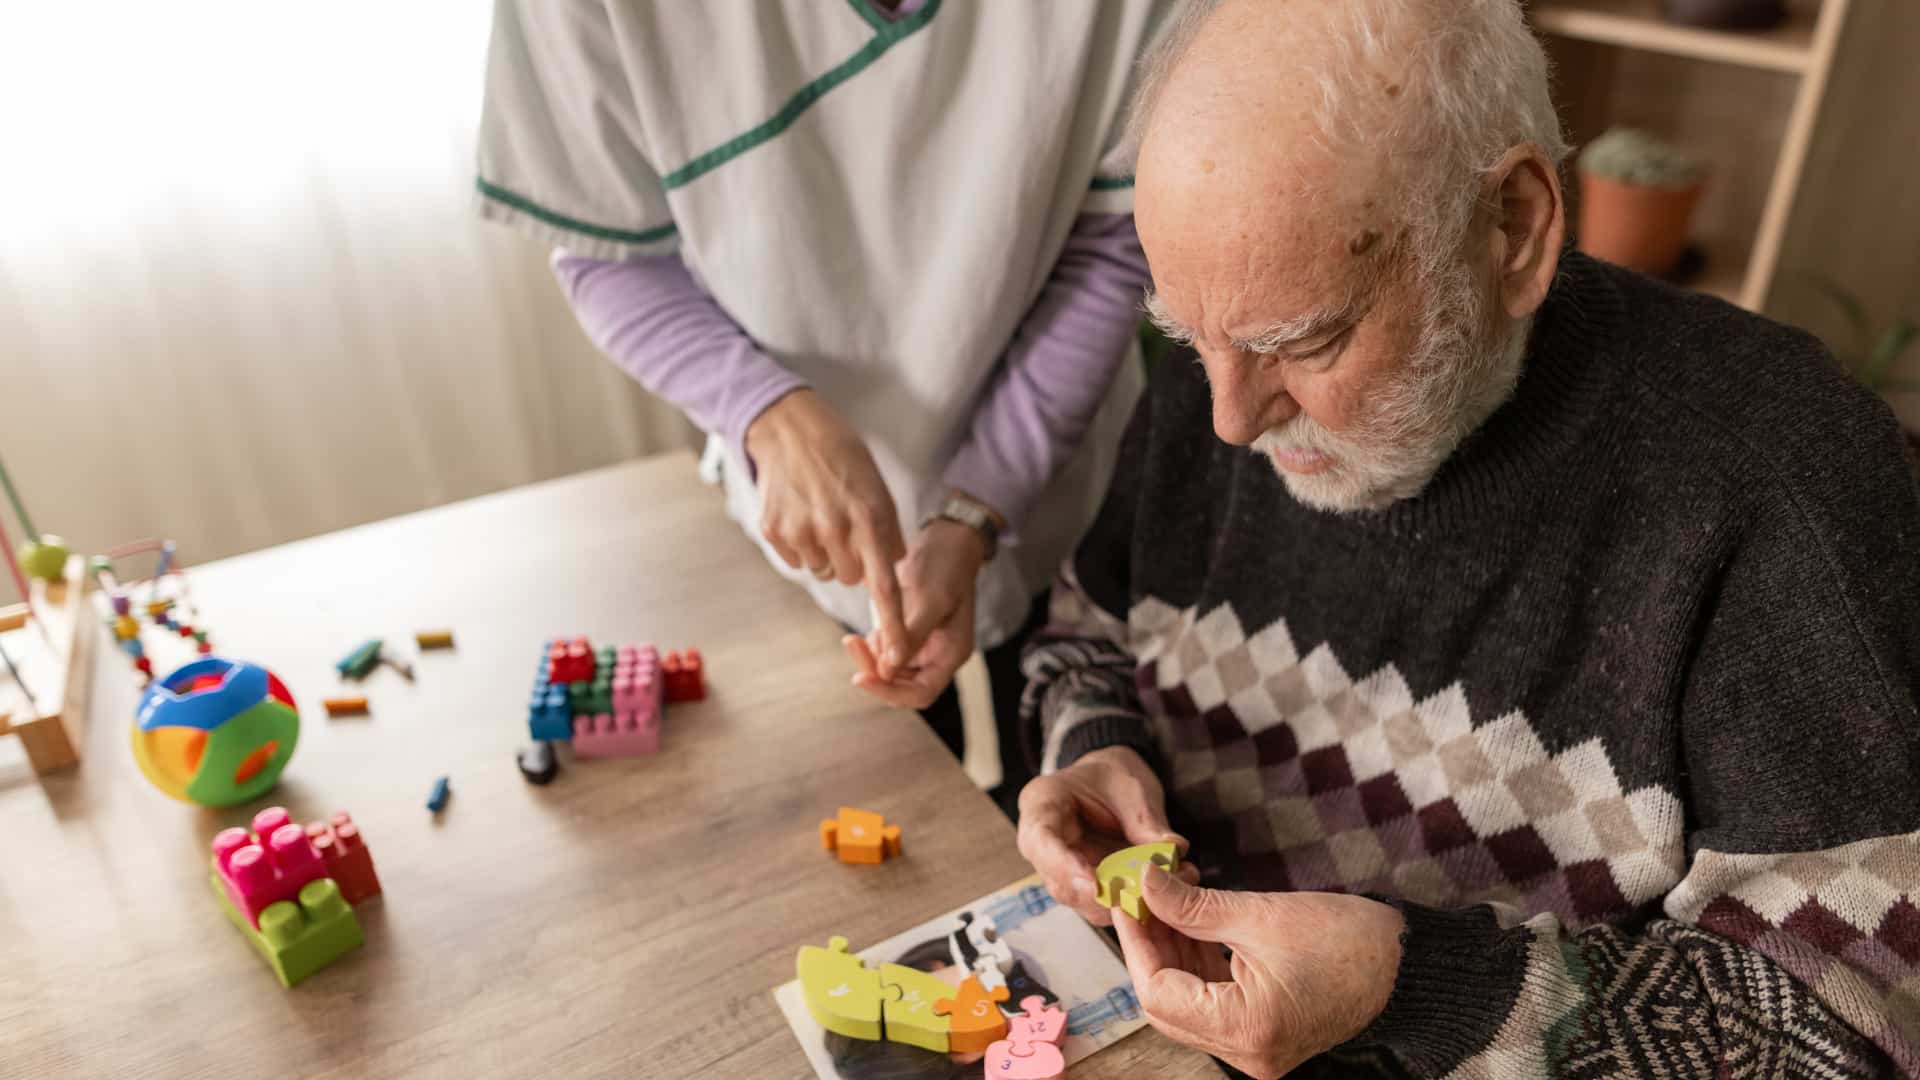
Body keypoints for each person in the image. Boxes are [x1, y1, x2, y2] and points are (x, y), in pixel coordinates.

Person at [1014, 1, 1920, 1076]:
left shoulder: (1779, 480)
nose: (1229, 421)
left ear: (1515, 228)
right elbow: (1082, 636)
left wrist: (1433, 992)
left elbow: (1855, 1032)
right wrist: (1094, 747)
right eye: (1185, 334)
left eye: (1308, 339)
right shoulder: (1232, 356)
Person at [474, 1, 1180, 812]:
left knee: (1071, 803)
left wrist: (976, 510)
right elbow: (608, 255)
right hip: (809, 543)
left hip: (1063, 479)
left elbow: (1113, 242)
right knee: (907, 809)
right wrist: (766, 414)